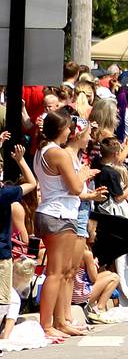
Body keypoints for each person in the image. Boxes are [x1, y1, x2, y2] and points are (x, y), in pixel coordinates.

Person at [35, 113, 106, 339]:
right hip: (58, 215)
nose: (70, 132)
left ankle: (58, 321)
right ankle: (47, 325)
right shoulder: (57, 152)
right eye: (68, 128)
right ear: (61, 129)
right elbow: (75, 187)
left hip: (54, 212)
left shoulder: (44, 151)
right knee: (55, 273)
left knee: (63, 271)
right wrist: (83, 173)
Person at [0, 143, 37, 340]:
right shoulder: (4, 195)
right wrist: (21, 161)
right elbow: (32, 184)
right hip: (2, 255)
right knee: (5, 300)